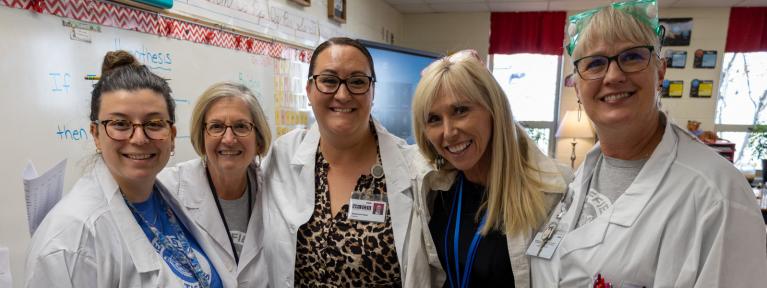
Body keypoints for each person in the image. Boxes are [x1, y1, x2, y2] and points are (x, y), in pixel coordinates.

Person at [531, 1, 767, 286]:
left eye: (631, 57)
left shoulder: (718, 194)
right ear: (577, 87)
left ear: (660, 72)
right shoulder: (580, 177)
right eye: (594, 63)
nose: (614, 75)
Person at [25, 51, 230, 287]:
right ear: (96, 135)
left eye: (153, 124)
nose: (139, 138)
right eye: (120, 124)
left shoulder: (165, 199)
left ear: (172, 136)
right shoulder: (70, 242)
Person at [261, 37, 427, 287]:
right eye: (328, 80)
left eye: (357, 82)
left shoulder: (413, 167)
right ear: (309, 90)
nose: (342, 94)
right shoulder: (282, 156)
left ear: (372, 92)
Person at [406, 49, 572, 288]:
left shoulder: (551, 192)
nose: (449, 132)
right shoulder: (435, 186)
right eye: (433, 119)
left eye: (460, 110)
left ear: (494, 110)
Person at [158, 82, 271, 287]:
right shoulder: (167, 189)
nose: (228, 139)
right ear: (202, 137)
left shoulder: (275, 190)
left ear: (259, 139)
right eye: (216, 127)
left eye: (241, 126)